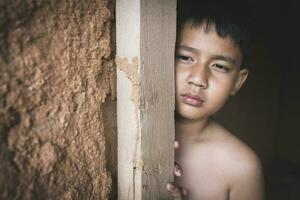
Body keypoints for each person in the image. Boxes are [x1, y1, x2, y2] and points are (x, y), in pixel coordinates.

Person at [166, 1, 265, 199]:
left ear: (238, 81)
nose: (198, 79)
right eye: (185, 57)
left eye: (220, 66)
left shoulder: (241, 167)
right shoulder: (124, 134)